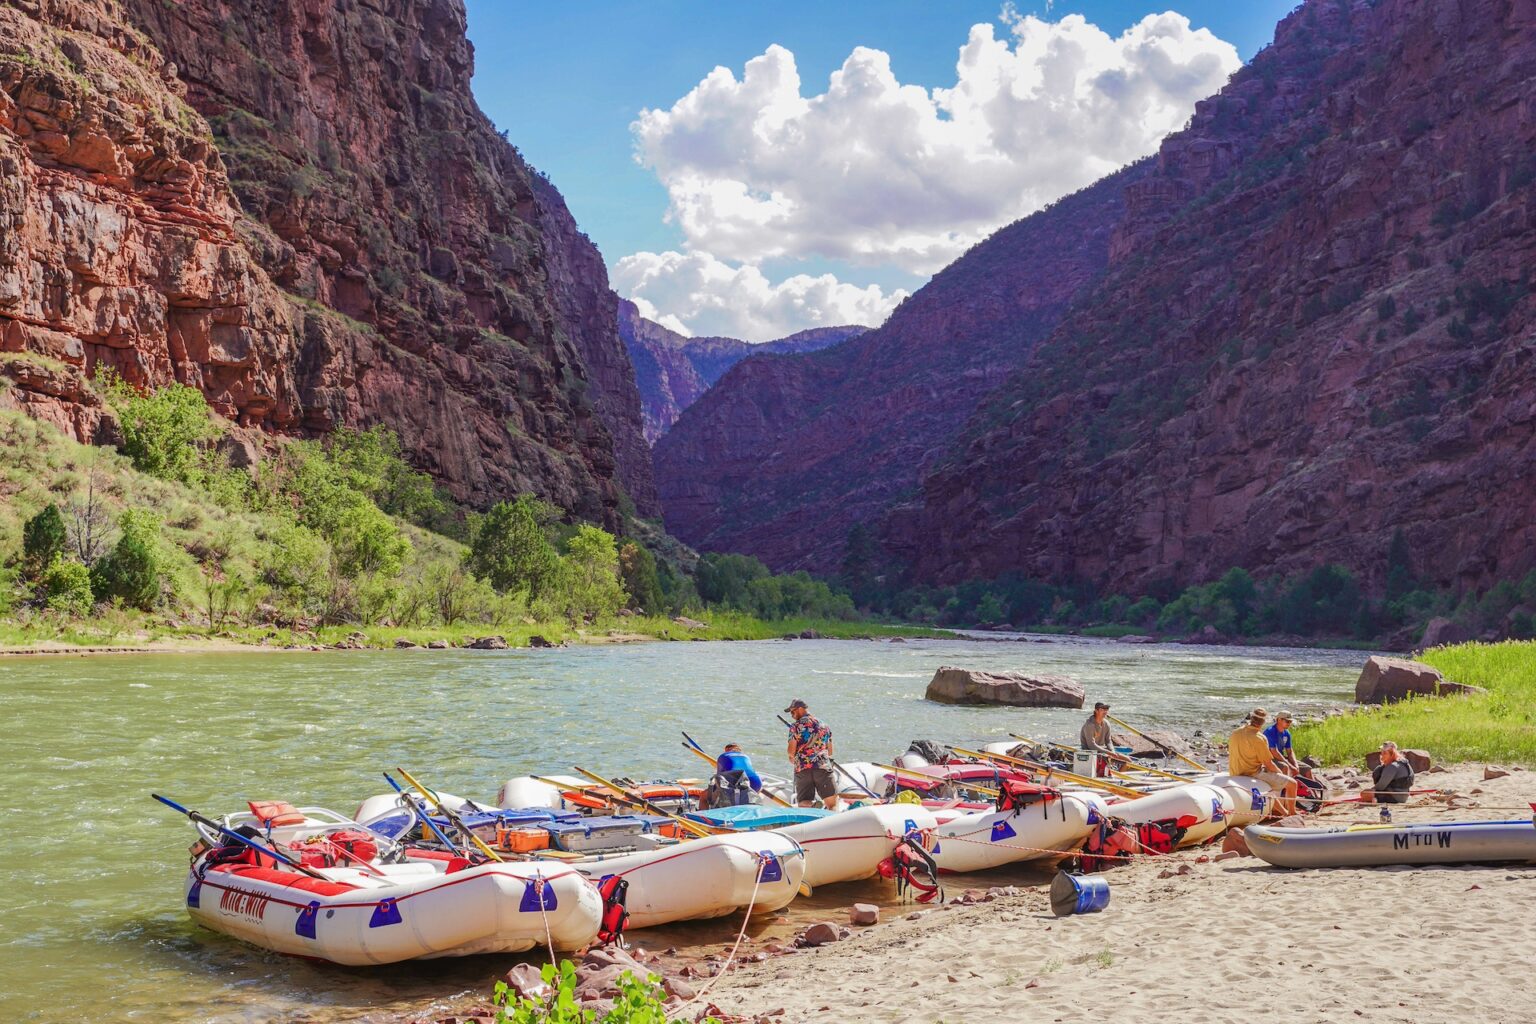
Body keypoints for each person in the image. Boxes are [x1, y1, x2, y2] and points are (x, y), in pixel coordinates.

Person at [1228, 708, 1299, 817]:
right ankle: (1292, 813)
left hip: (1234, 772)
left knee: (1271, 786)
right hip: (1252, 773)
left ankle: (1284, 813)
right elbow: (1268, 763)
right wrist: (1279, 773)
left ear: (1251, 718)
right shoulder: (1259, 738)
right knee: (1292, 784)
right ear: (1263, 722)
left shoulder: (1235, 732)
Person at [785, 698, 837, 809]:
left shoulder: (795, 726)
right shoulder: (824, 726)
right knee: (832, 804)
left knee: (804, 802)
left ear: (800, 709)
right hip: (823, 766)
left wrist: (791, 757)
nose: (791, 715)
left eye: (792, 712)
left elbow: (791, 752)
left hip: (803, 768)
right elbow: (830, 751)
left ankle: (812, 805)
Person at [1371, 741, 1415, 820]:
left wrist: (1370, 791)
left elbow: (1380, 787)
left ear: (1392, 753)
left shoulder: (1392, 767)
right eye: (1381, 752)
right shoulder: (1403, 762)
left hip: (1395, 798)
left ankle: (1375, 799)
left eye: (1385, 753)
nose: (1382, 755)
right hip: (1404, 796)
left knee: (1365, 793)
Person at [709, 743, 763, 808]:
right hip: (756, 782)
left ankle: (703, 815)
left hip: (737, 783)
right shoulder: (746, 756)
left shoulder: (723, 756)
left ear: (727, 750)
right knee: (754, 793)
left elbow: (719, 778)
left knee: (705, 796)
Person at [1079, 701, 1119, 776]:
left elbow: (1108, 741)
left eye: (1106, 709)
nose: (1105, 711)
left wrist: (1112, 750)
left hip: (1103, 751)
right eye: (1102, 709)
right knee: (1106, 762)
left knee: (1127, 760)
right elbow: (1091, 745)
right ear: (1096, 711)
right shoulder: (1090, 725)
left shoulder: (1106, 723)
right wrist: (1108, 752)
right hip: (1090, 753)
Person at [1263, 711, 1300, 775]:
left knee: (1307, 769)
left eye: (1290, 721)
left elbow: (1290, 751)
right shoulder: (1270, 732)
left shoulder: (1287, 733)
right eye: (1287, 721)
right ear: (1279, 720)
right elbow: (1274, 752)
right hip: (1270, 759)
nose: (1289, 723)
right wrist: (1290, 766)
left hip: (1281, 758)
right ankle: (1287, 784)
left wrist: (1295, 764)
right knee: (1285, 767)